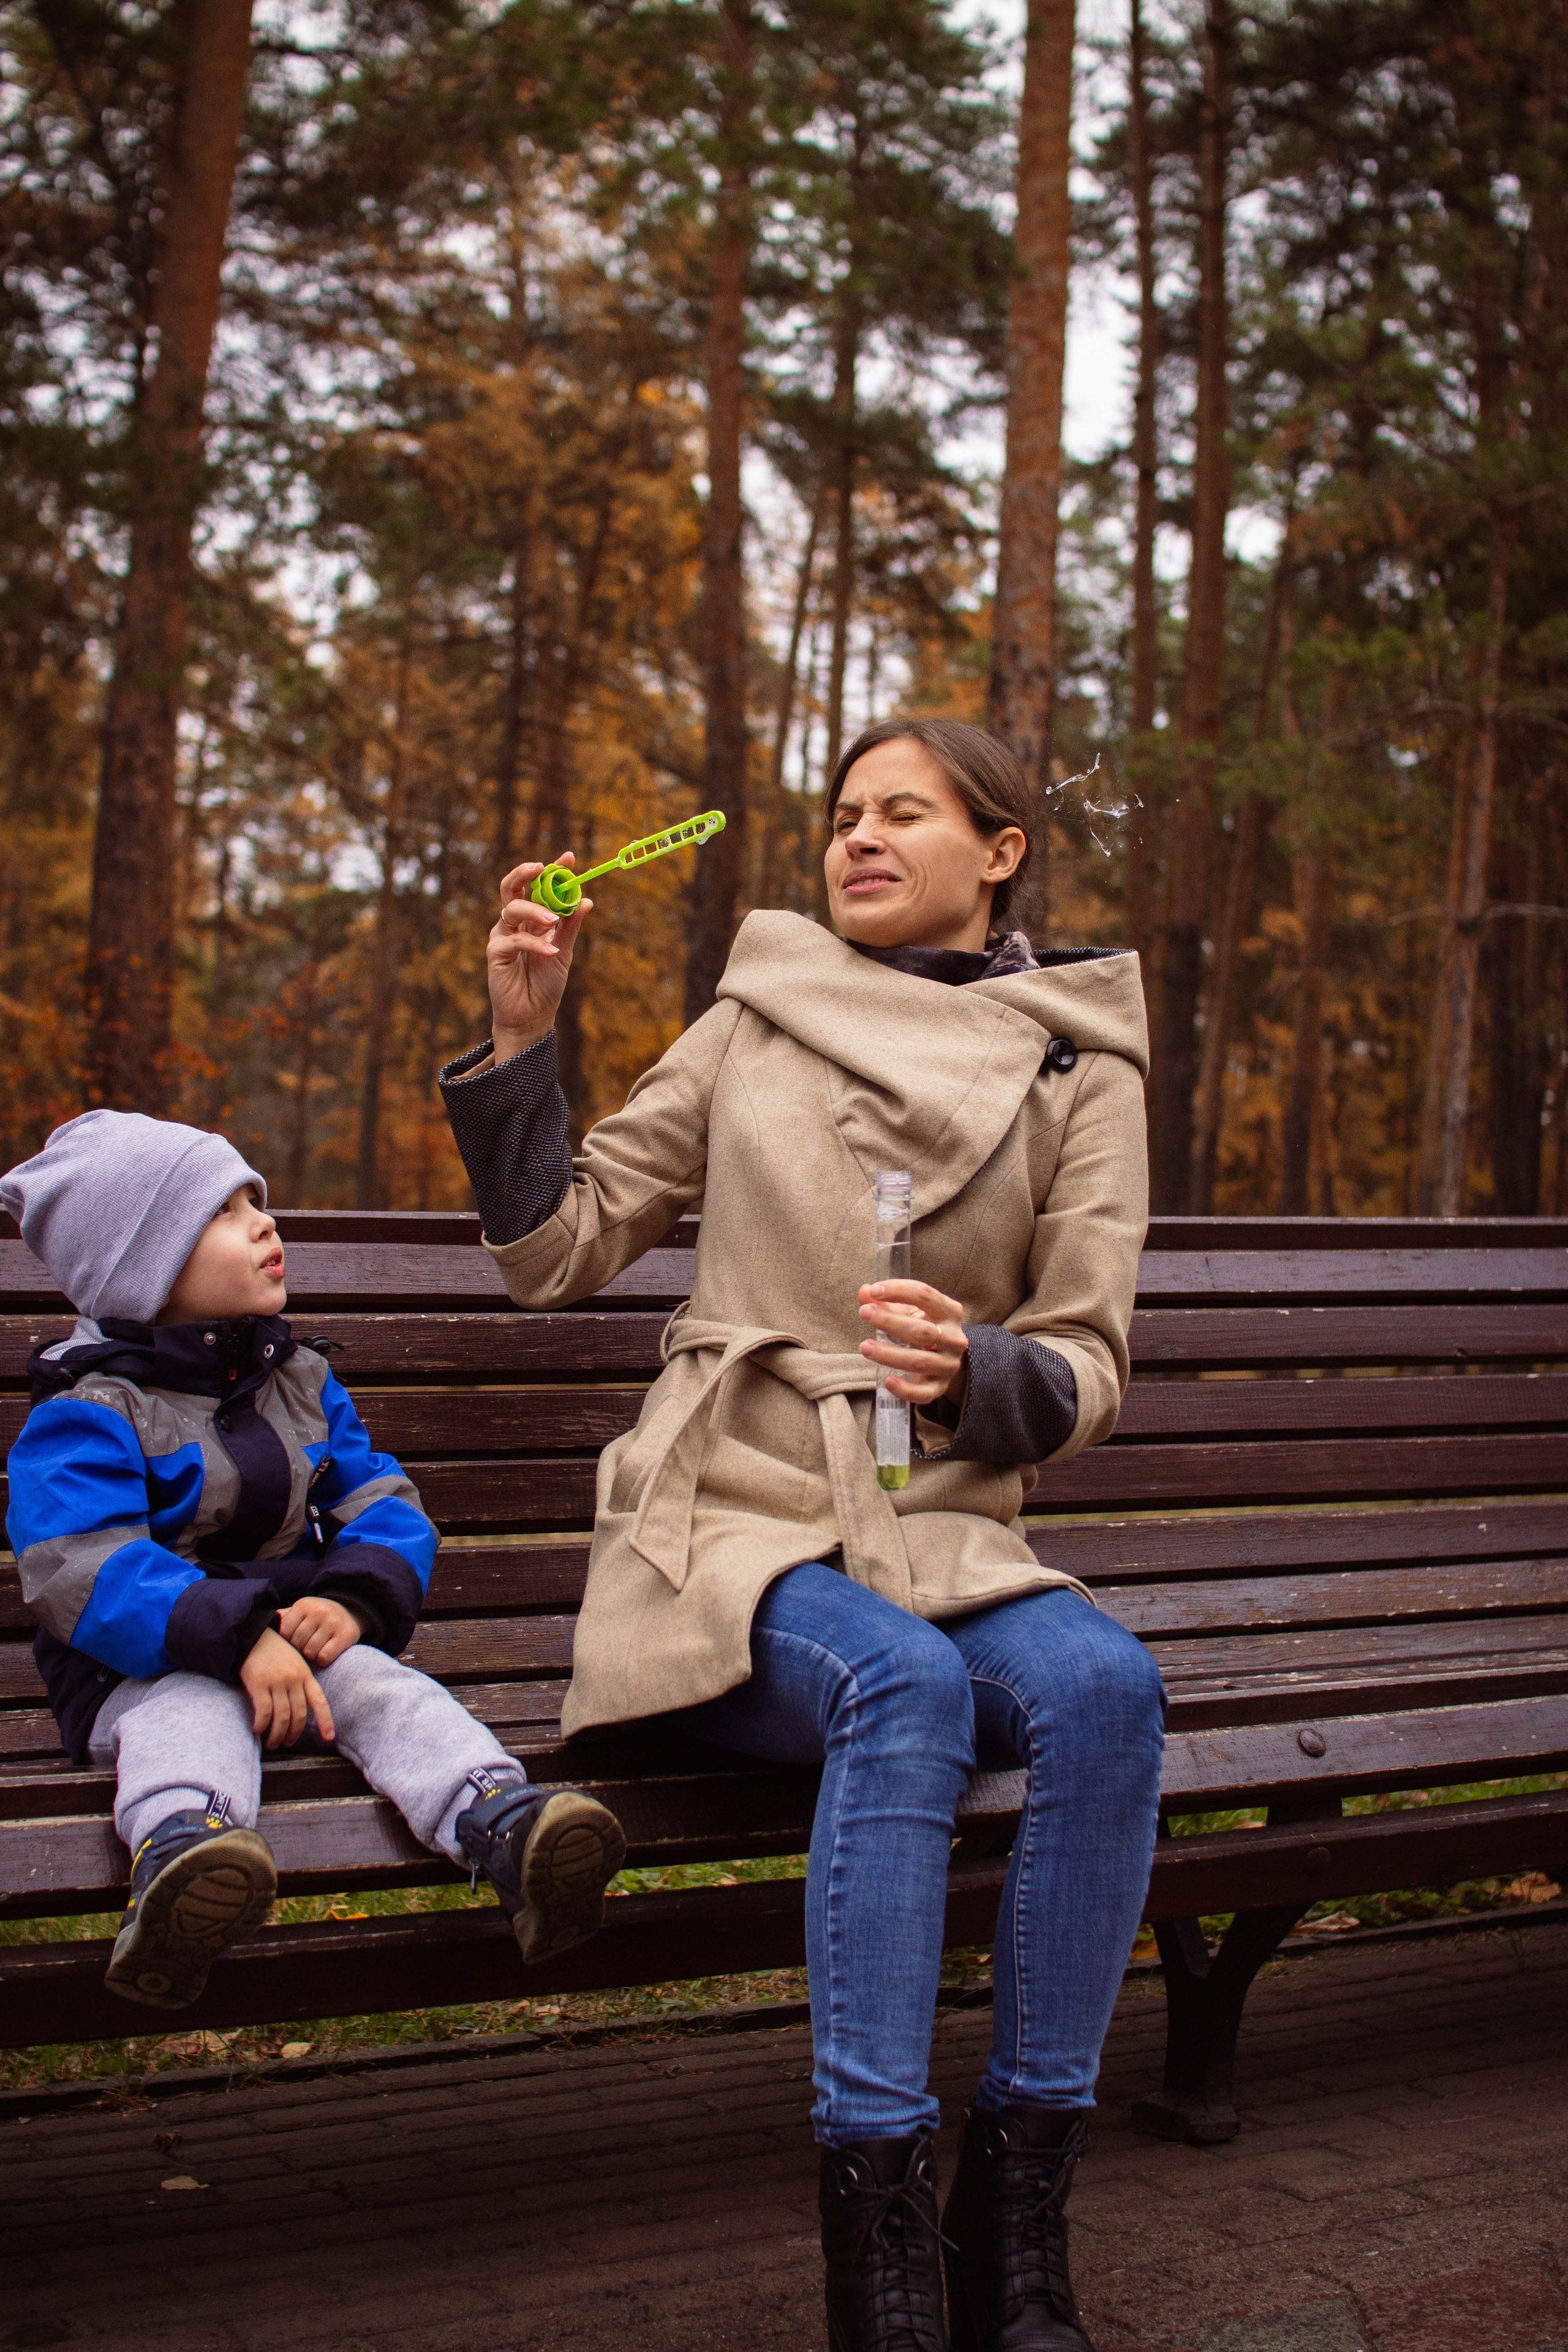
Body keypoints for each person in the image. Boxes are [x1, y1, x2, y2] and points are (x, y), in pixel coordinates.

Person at [439, 718, 1164, 2352]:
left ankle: (1023, 2217)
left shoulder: (1079, 1062)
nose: (859, 837)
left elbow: (1089, 1357)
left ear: (1002, 851)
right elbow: (557, 1253)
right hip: (732, 1522)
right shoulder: (753, 1014)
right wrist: (523, 1036)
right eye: (844, 814)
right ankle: (883, 2257)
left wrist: (982, 1370)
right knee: (897, 1687)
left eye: (905, 811)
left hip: (939, 1525)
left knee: (1107, 1690)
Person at [2, 1110, 625, 2011]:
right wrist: (237, 1635)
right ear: (144, 1268)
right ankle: (186, 1855)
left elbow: (382, 1503)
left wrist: (355, 1605)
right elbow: (82, 1567)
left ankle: (503, 1823)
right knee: (191, 1709)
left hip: (295, 1644)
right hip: (137, 1669)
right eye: (222, 1212)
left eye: (257, 1200)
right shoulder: (92, 1411)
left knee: (379, 1683)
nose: (263, 1223)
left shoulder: (295, 1379)